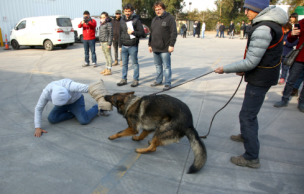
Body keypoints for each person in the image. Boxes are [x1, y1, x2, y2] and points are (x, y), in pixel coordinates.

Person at [214, 0, 288, 168]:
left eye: (249, 9)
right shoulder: (270, 24)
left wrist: (225, 69)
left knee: (247, 115)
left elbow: (251, 62)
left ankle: (251, 157)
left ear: (259, 9)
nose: (246, 12)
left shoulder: (263, 28)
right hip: (263, 74)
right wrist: (246, 69)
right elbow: (258, 58)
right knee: (248, 112)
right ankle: (245, 135)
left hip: (261, 77)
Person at [34, 79, 99, 137]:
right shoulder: (47, 92)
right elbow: (38, 108)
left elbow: (89, 88)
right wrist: (37, 127)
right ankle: (75, 114)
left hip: (75, 101)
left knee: (84, 120)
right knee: (52, 119)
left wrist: (102, 98)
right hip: (60, 104)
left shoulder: (70, 85)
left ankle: (98, 107)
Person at [274, 18, 304, 112]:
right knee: (291, 80)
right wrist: (293, 34)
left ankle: (302, 102)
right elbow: (291, 40)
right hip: (300, 58)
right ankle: (284, 99)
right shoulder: (302, 22)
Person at [148, 1, 177, 91]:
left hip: (165, 48)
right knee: (157, 65)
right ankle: (159, 80)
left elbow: (174, 33)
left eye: (159, 9)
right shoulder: (154, 19)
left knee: (166, 66)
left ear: (163, 8)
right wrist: (150, 44)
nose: (157, 11)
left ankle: (167, 83)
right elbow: (151, 33)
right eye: (156, 10)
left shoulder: (170, 18)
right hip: (155, 47)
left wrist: (171, 45)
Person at [117, 3, 145, 87]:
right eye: (125, 11)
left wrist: (133, 32)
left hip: (133, 46)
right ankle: (123, 79)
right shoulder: (122, 20)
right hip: (124, 46)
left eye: (129, 11)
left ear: (132, 11)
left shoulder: (137, 20)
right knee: (124, 64)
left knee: (134, 64)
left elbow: (142, 33)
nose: (127, 13)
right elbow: (120, 33)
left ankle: (135, 80)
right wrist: (120, 46)